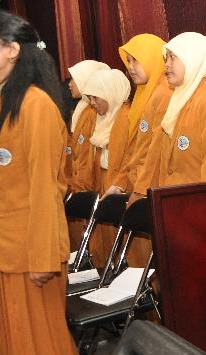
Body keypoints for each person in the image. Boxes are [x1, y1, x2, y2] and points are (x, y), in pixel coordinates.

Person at [0, 10, 89, 355]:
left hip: (31, 246)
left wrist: (45, 256)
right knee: (20, 336)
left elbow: (48, 188)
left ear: (11, 50)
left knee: (40, 336)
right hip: (3, 242)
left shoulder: (36, 106)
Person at [152, 32, 206, 186]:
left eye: (172, 57)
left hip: (200, 199)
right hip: (174, 196)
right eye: (166, 58)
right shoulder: (180, 97)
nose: (167, 64)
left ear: (193, 60)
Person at [103, 33, 171, 199]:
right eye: (128, 61)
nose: (130, 67)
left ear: (151, 58)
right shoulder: (142, 94)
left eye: (135, 60)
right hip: (139, 186)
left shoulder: (165, 94)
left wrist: (139, 193)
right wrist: (120, 184)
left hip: (153, 190)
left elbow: (154, 154)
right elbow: (134, 150)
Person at [83, 68, 131, 266]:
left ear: (109, 93)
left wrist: (119, 184)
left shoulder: (127, 117)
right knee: (102, 242)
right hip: (102, 183)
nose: (92, 103)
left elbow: (131, 159)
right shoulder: (100, 119)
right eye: (90, 98)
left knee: (124, 243)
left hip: (121, 186)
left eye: (95, 97)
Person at [67, 60, 109, 192]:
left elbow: (87, 154)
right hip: (78, 182)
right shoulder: (83, 108)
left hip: (88, 185)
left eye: (74, 79)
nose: (69, 84)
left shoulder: (94, 111)